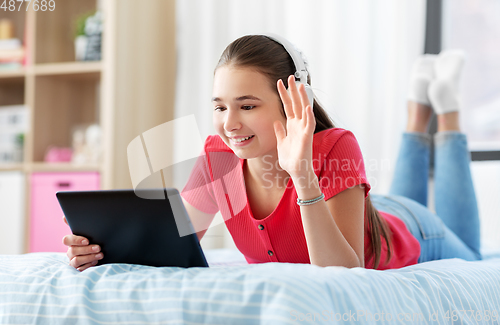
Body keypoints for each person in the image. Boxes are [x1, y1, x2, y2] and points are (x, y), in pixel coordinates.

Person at [63, 35, 482, 271]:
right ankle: (421, 107)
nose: (229, 124)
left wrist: (302, 175)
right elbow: (170, 242)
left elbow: (344, 272)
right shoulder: (218, 158)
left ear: (294, 100)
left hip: (410, 231)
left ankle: (443, 114)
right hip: (360, 203)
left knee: (476, 255)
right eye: (219, 107)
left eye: (247, 106)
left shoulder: (335, 145)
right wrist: (100, 251)